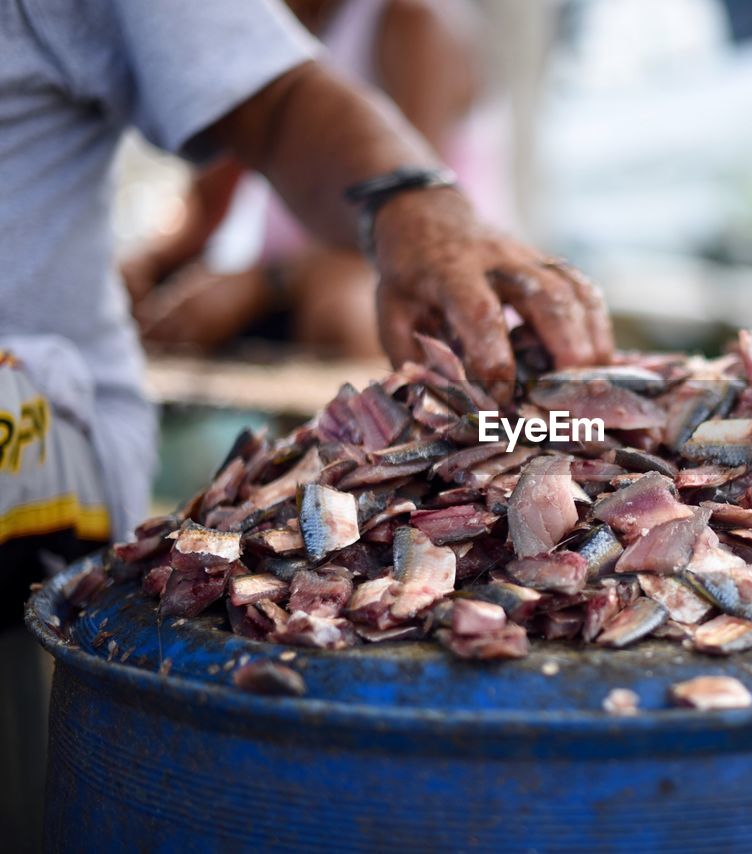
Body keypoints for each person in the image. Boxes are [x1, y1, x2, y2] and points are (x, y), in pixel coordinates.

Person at [0, 0, 612, 846]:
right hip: (290, 304)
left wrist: (260, 287)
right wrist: (152, 278)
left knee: (355, 334)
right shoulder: (236, 45)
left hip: (396, 315)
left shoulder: (404, 24)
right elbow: (203, 216)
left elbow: (376, 227)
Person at [123, 0, 489, 358]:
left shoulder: (409, 20)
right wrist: (144, 266)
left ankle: (382, 417)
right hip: (283, 276)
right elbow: (206, 206)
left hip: (374, 272)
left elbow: (415, 227)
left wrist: (263, 283)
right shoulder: (257, 24)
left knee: (346, 310)